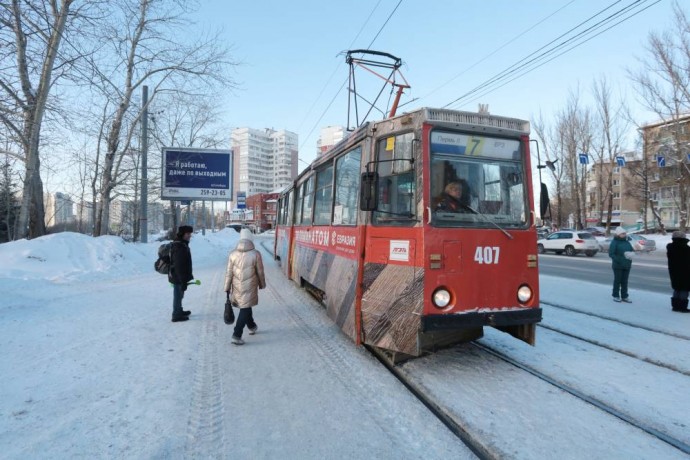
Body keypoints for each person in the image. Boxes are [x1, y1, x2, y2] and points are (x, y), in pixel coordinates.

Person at [224, 228, 266, 345]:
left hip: (236, 286)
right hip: (250, 285)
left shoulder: (232, 254)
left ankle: (251, 326)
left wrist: (227, 287)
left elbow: (229, 273)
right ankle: (236, 335)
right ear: (251, 239)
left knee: (246, 305)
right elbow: (260, 272)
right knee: (245, 307)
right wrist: (262, 284)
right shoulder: (256, 254)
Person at [169, 225, 194, 322]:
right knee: (178, 294)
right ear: (182, 234)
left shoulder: (181, 244)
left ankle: (179, 310)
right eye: (188, 234)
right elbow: (179, 266)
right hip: (178, 276)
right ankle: (176, 314)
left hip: (178, 276)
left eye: (190, 234)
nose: (189, 236)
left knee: (180, 294)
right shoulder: (180, 246)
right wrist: (183, 280)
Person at [608, 226, 634, 303]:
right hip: (618, 265)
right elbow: (611, 254)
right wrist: (619, 260)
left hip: (627, 264)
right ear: (618, 234)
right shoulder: (614, 242)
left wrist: (631, 254)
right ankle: (616, 295)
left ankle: (624, 296)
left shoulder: (627, 242)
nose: (624, 235)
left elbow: (631, 250)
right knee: (617, 281)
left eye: (625, 233)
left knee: (625, 281)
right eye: (622, 234)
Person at [666, 230, 690, 313]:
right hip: (686, 271)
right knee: (684, 288)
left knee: (677, 288)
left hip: (673, 271)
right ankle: (682, 307)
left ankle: (675, 306)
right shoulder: (686, 249)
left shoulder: (670, 247)